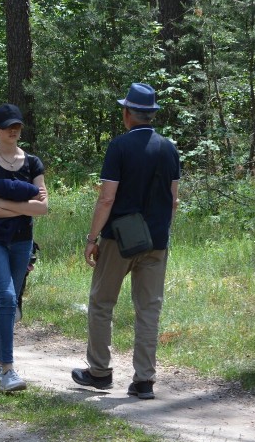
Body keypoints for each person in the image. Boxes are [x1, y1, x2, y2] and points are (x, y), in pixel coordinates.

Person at [72, 83, 180, 400]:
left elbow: (107, 199)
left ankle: (100, 373)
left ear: (127, 114)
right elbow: (173, 201)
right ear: (152, 114)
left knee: (102, 303)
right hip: (157, 241)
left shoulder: (119, 147)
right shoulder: (169, 148)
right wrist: (161, 234)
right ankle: (144, 381)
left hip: (119, 239)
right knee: (149, 310)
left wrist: (92, 238)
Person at [0, 103, 48, 392]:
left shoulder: (33, 163)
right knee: (5, 297)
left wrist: (2, 203)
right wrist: (22, 207)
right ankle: (8, 371)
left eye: (16, 126)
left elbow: (42, 208)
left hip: (22, 240)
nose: (13, 131)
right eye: (7, 127)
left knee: (10, 300)